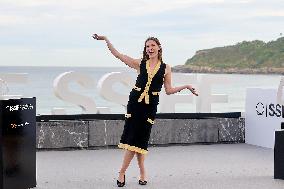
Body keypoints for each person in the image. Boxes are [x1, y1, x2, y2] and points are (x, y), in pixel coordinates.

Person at [92, 34, 198, 187]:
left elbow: (168, 90)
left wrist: (186, 86)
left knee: (141, 139)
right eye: (147, 46)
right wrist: (106, 39)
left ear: (159, 47)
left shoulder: (166, 68)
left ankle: (138, 172)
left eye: (152, 46)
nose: (150, 48)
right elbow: (118, 55)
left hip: (150, 106)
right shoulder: (140, 63)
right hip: (135, 103)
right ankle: (124, 172)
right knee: (133, 138)